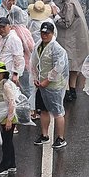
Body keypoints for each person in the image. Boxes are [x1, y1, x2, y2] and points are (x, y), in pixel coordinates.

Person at [32, 20, 69, 148]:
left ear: (52, 33)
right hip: (41, 83)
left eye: (47, 33)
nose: (44, 35)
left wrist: (47, 81)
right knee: (43, 110)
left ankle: (60, 138)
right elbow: (34, 61)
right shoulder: (39, 45)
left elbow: (58, 67)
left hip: (53, 85)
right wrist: (36, 78)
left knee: (58, 111)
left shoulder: (57, 48)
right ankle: (44, 135)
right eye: (43, 33)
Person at [0, 61, 20, 177]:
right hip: (2, 115)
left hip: (6, 116)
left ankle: (4, 166)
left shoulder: (5, 85)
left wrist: (9, 119)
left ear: (3, 74)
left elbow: (12, 102)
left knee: (6, 142)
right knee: (8, 141)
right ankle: (11, 164)